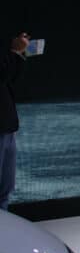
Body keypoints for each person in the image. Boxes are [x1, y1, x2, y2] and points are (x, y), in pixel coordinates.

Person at [1, 32, 29, 210]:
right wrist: (15, 52)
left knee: (5, 191)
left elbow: (9, 78)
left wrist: (18, 54)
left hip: (6, 126)